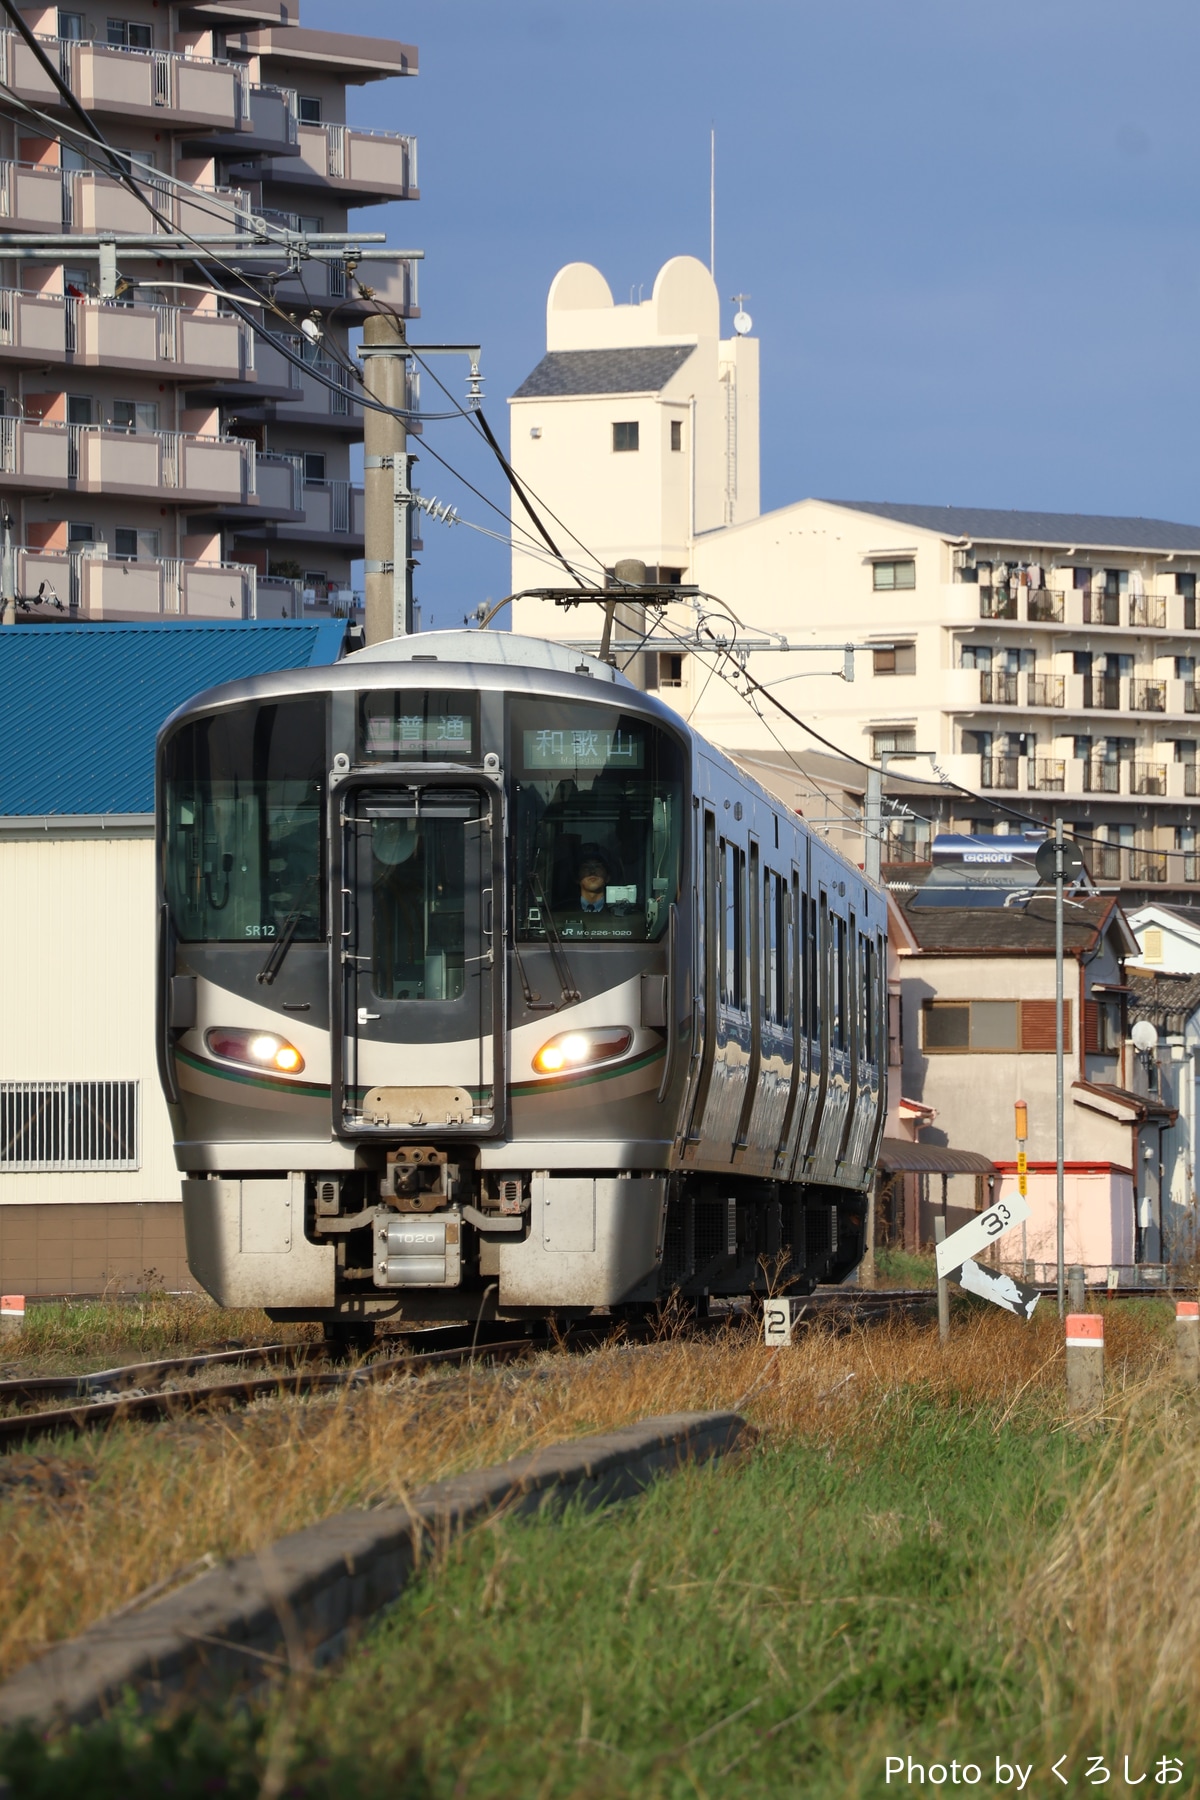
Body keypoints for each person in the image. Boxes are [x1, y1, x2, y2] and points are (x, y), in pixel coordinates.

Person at [576, 846, 609, 913]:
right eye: (586, 867)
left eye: (597, 866)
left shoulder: (617, 910)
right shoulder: (563, 910)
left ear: (608, 877)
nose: (592, 871)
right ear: (577, 878)